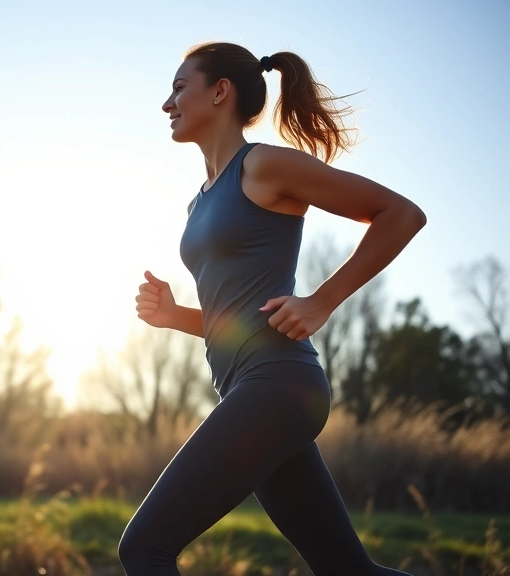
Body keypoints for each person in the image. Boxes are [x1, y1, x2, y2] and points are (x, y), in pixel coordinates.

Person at [120, 41, 426, 576]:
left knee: (143, 548)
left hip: (278, 385)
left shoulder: (261, 165)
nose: (167, 104)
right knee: (350, 571)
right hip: (252, 390)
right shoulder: (200, 199)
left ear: (220, 91)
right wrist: (177, 317)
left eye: (178, 88)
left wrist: (322, 301)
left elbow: (401, 214)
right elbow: (238, 318)